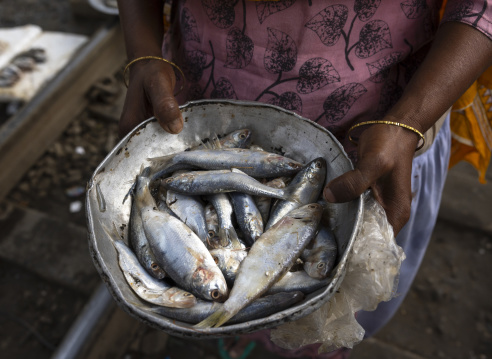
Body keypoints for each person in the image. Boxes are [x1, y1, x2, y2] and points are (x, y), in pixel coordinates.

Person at [116, 1, 492, 358]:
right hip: (198, 109)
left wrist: (409, 121)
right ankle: (243, 326)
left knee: (326, 318)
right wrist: (144, 51)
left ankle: (290, 342)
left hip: (376, 137)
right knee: (273, 305)